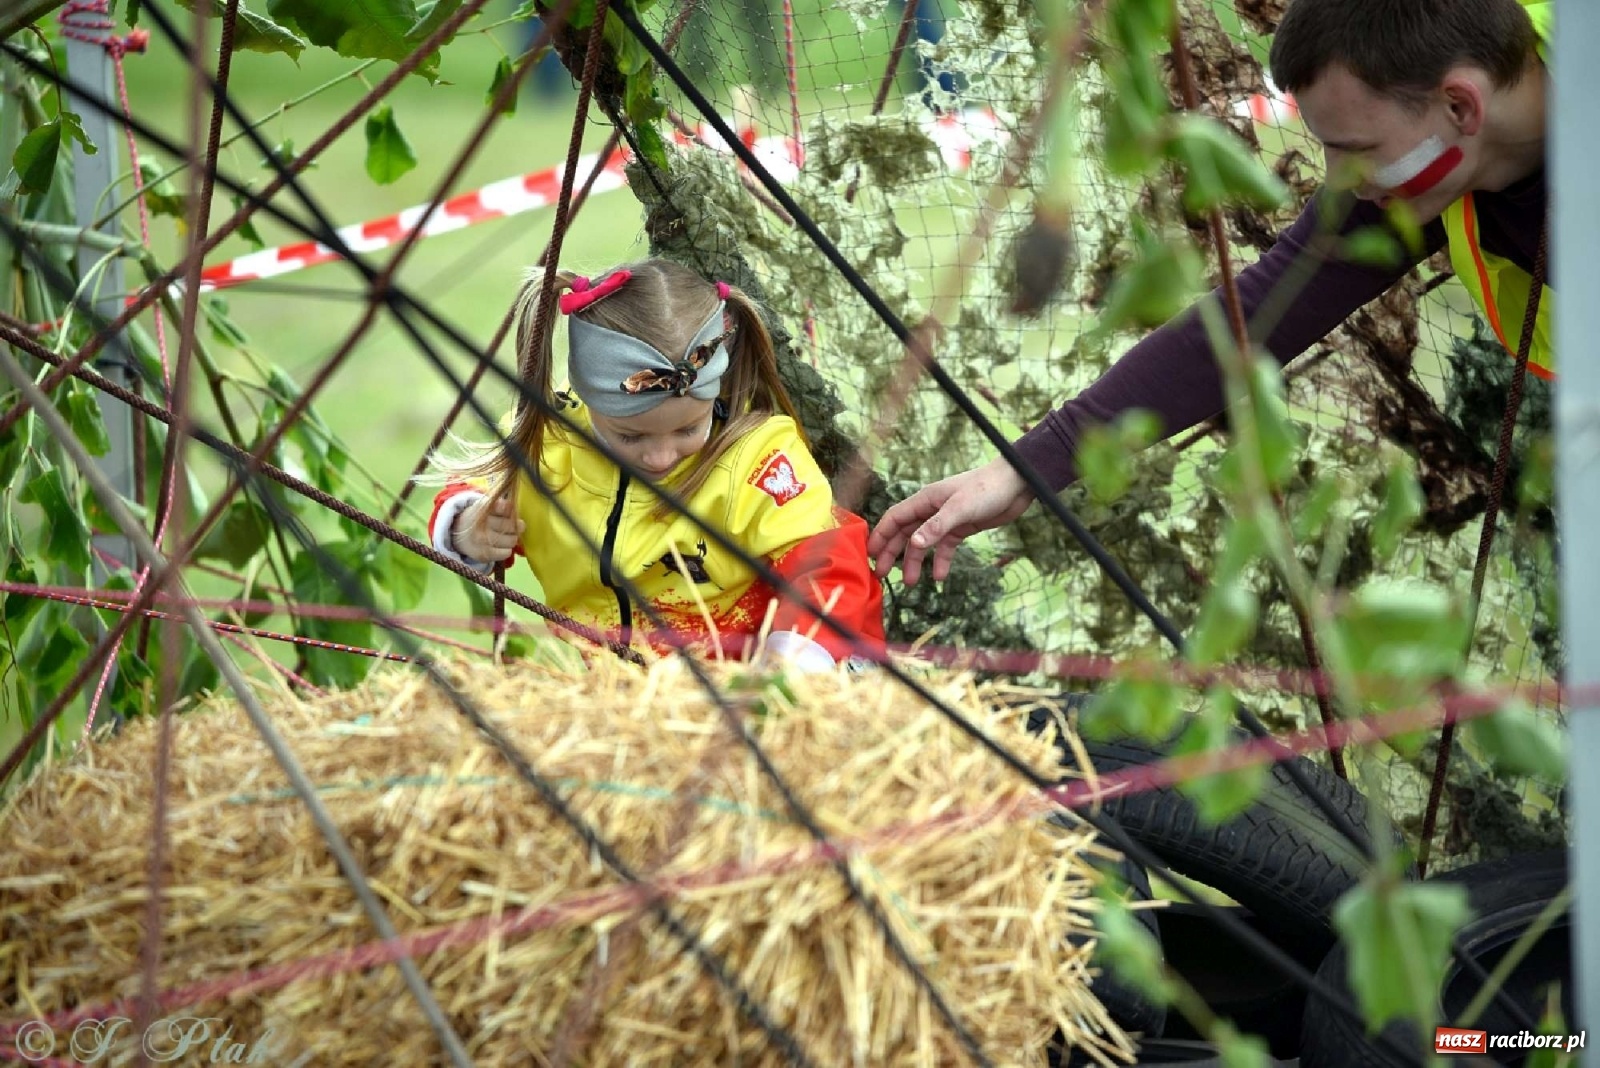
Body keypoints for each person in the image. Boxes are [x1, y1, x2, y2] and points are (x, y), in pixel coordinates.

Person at [870, 0, 1552, 586]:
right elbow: (1247, 320)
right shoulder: (1425, 169)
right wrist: (1027, 467)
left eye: (1357, 147)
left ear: (1462, 103)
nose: (1339, 179)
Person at [425, 258, 885, 671]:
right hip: (620, 700)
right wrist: (469, 528)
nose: (661, 457)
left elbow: (829, 566)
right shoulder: (548, 445)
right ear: (585, 399)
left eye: (688, 430)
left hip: (762, 687)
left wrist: (788, 668)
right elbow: (470, 488)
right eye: (630, 436)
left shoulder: (757, 460)